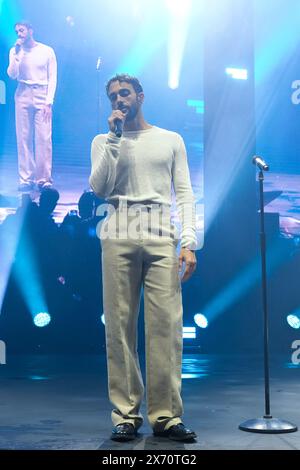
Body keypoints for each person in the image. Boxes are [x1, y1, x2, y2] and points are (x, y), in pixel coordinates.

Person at [89, 74, 198, 442]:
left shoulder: (170, 140)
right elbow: (100, 187)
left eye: (125, 93)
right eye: (113, 96)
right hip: (117, 228)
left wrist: (189, 242)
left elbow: (184, 192)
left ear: (140, 95)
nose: (119, 99)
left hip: (160, 232)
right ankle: (126, 414)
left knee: (165, 327)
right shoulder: (104, 140)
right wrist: (115, 139)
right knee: (118, 327)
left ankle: (166, 416)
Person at [7, 21, 57, 192]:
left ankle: (43, 179)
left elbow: (53, 78)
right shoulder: (15, 51)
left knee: (43, 137)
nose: (19, 34)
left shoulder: (46, 51)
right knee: (23, 137)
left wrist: (49, 102)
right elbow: (12, 74)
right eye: (17, 31)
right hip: (22, 93)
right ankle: (26, 178)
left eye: (21, 30)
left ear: (30, 30)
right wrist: (16, 55)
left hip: (41, 93)